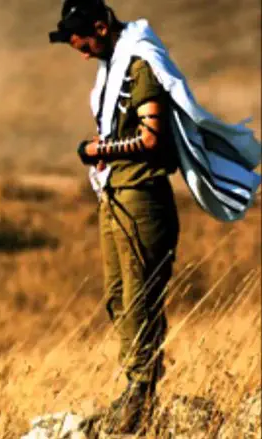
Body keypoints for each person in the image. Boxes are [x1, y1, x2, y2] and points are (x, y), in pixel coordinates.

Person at [49, 0, 261, 434]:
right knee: (117, 297)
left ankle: (140, 398)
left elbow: (150, 137)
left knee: (140, 298)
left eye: (84, 41)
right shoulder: (113, 66)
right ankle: (134, 390)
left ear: (102, 26)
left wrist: (97, 151)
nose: (83, 52)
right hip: (117, 196)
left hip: (142, 198)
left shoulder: (140, 64)